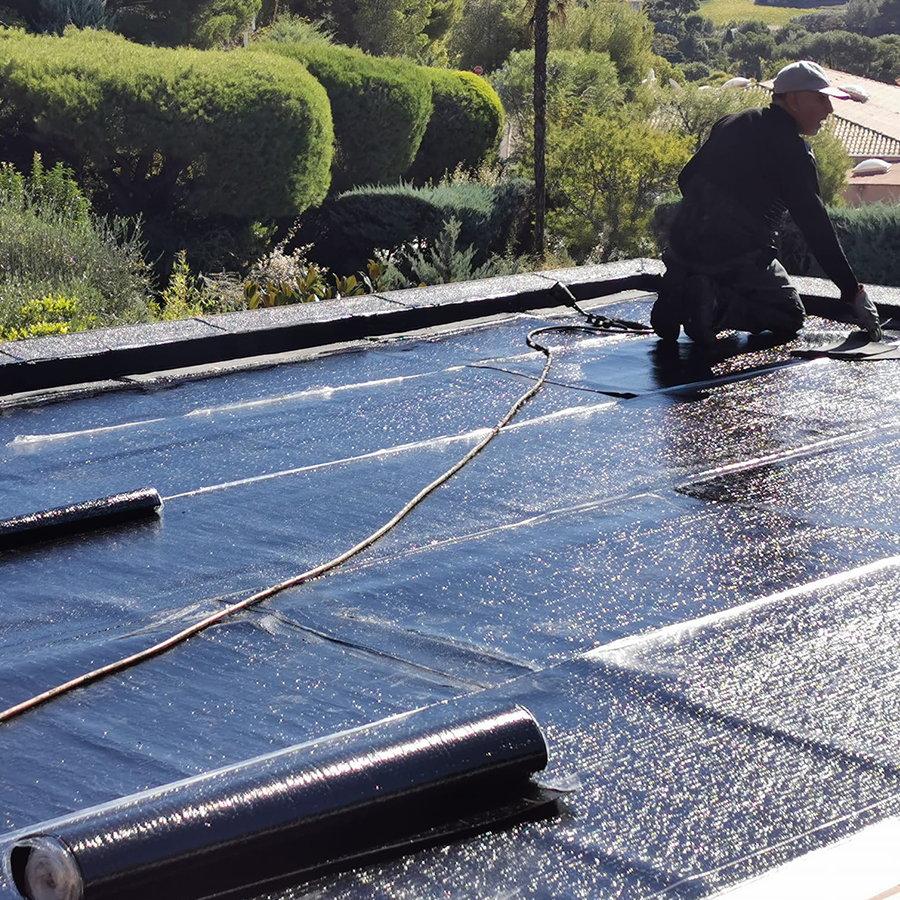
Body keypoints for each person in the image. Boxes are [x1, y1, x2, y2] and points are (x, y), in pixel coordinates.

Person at [651, 59, 882, 347]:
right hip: (736, 254)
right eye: (821, 99)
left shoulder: (731, 122)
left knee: (716, 260)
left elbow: (686, 179)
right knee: (789, 314)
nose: (829, 110)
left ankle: (679, 286)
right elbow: (815, 225)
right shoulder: (793, 150)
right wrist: (852, 292)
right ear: (795, 100)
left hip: (681, 246)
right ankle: (714, 304)